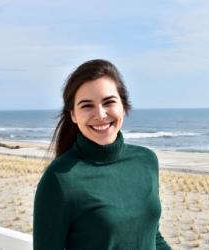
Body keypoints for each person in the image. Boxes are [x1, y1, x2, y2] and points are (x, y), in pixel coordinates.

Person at [33, 59, 171, 250]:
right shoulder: (59, 178)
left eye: (109, 102)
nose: (100, 114)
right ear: (73, 115)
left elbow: (152, 236)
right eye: (87, 105)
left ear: (123, 105)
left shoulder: (147, 161)